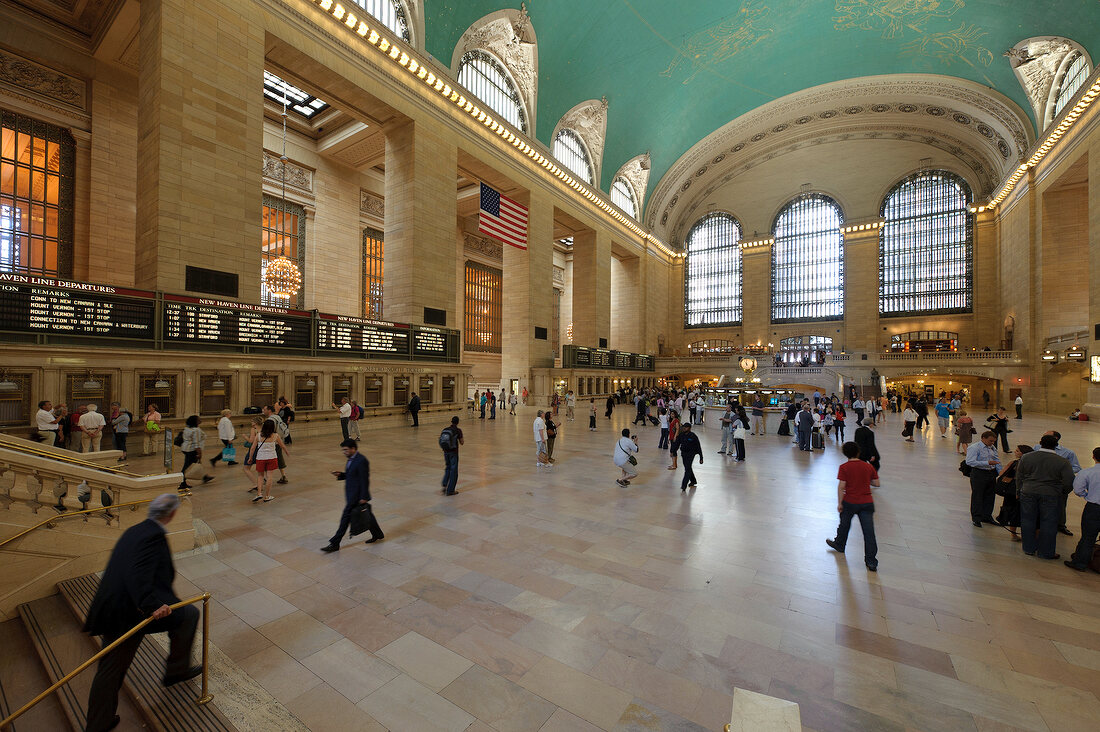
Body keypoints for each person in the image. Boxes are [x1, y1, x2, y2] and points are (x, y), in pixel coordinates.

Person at [84, 493, 200, 732]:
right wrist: (151, 604)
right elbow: (137, 572)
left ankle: (176, 671)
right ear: (172, 514)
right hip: (127, 612)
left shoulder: (136, 530)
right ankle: (98, 724)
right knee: (112, 669)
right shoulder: (153, 537)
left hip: (119, 604)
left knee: (187, 614)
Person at [1017, 434, 1075, 559]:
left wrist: (1019, 490)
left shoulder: (1026, 457)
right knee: (1049, 522)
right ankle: (1046, 552)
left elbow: (1020, 476)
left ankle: (1028, 548)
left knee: (1027, 520)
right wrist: (1061, 492)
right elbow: (1069, 481)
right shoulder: (1062, 461)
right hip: (1051, 494)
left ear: (1040, 443)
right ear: (1056, 445)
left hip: (1028, 491)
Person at [825, 442, 880, 571]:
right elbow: (876, 483)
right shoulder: (867, 466)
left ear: (845, 454)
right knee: (869, 533)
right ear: (858, 452)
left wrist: (839, 503)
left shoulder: (844, 467)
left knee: (844, 525)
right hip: (866, 502)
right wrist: (866, 480)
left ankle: (839, 544)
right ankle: (871, 561)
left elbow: (841, 487)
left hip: (850, 502)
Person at [321, 439, 383, 551]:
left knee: (345, 518)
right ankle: (378, 534)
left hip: (356, 496)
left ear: (353, 449)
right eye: (343, 450)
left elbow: (364, 480)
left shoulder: (361, 460)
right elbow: (353, 475)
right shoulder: (351, 459)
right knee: (367, 514)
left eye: (345, 450)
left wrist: (364, 497)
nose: (344, 452)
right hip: (351, 494)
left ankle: (335, 543)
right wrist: (341, 475)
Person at [1032, 430, 1082, 536]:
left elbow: (1076, 467)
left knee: (1061, 505)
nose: (1042, 438)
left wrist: (1062, 472)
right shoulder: (1036, 448)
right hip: (1039, 482)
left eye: (1045, 436)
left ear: (1055, 439)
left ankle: (1060, 525)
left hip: (1057, 484)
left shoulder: (1068, 453)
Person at [1065, 447, 1100, 571]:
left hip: (1094, 508)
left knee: (1088, 537)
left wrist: (1088, 496)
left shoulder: (1087, 472)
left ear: (1093, 457)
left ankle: (1080, 563)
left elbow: (1078, 489)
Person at [995, 444, 1032, 541]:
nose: (1015, 452)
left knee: (1010, 511)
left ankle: (1013, 534)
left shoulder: (1014, 463)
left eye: (1018, 451)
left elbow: (1001, 473)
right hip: (1023, 491)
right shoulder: (1031, 465)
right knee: (1020, 512)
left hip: (1010, 491)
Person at [965, 431, 1001, 527]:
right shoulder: (974, 447)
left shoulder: (992, 447)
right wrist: (987, 463)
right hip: (979, 473)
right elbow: (970, 461)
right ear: (983, 438)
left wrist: (1000, 472)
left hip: (991, 473)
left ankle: (987, 516)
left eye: (993, 441)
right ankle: (976, 517)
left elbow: (996, 460)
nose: (992, 443)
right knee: (978, 495)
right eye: (990, 441)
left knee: (990, 496)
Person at [247, 419, 288, 502]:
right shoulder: (275, 436)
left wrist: (250, 458)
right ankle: (267, 496)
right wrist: (287, 452)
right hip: (272, 457)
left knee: (260, 476)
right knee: (269, 476)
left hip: (260, 458)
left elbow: (252, 448)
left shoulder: (258, 435)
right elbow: (282, 446)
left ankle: (259, 494)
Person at [178, 415, 215, 490]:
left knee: (195, 463)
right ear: (195, 421)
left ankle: (205, 477)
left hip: (185, 448)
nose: (200, 420)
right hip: (192, 450)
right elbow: (196, 443)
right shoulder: (196, 430)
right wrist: (199, 453)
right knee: (187, 467)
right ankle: (182, 482)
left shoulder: (187, 428)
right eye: (198, 419)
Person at [261, 405, 291, 485]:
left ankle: (265, 478)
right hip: (278, 440)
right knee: (279, 458)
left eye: (264, 409)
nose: (263, 411)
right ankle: (283, 476)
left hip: (271, 442)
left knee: (266, 459)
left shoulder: (271, 420)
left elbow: (269, 431)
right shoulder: (277, 417)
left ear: (269, 410)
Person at [440, 416, 463, 495]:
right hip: (453, 452)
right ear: (458, 422)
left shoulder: (445, 429)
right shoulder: (458, 430)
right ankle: (450, 490)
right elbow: (462, 442)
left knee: (447, 467)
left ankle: (444, 484)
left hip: (446, 452)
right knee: (454, 471)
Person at [241, 416, 264, 493]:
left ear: (255, 423)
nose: (251, 423)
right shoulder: (264, 429)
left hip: (254, 450)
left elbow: (251, 441)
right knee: (261, 469)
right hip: (262, 450)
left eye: (252, 421)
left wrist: (245, 437)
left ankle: (256, 484)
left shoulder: (254, 429)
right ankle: (260, 484)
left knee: (246, 468)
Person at [678, 423, 702, 491]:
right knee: (687, 467)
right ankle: (693, 481)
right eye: (684, 427)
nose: (684, 428)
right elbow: (677, 443)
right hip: (684, 454)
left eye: (686, 427)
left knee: (687, 469)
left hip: (691, 454)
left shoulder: (693, 436)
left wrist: (701, 457)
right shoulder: (681, 435)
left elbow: (698, 446)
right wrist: (673, 451)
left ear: (689, 428)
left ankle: (684, 485)